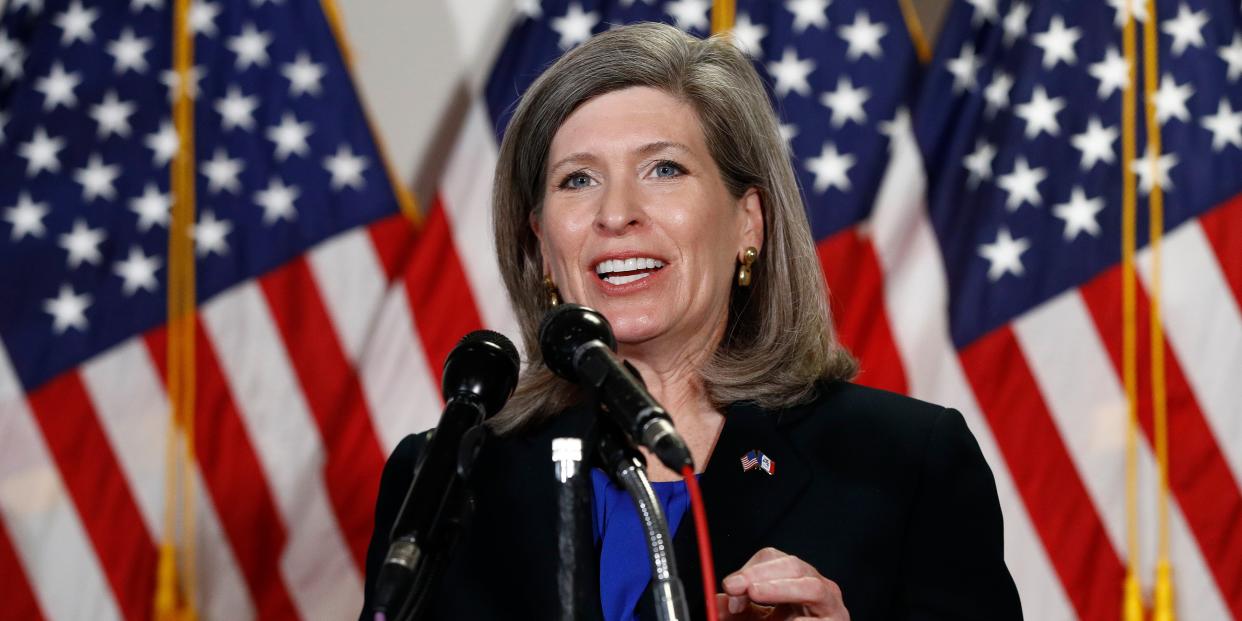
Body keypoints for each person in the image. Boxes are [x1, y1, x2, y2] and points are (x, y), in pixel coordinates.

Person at [362, 22, 1022, 621]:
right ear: (539, 245)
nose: (616, 212)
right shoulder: (446, 477)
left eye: (665, 168)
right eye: (577, 180)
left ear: (749, 223)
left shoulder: (904, 463)